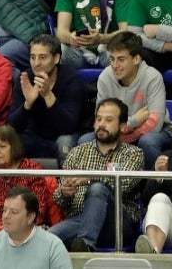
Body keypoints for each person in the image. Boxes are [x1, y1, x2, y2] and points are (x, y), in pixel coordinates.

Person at [51, 99, 145, 252]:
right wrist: (65, 192)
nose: (101, 124)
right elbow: (59, 200)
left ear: (122, 126)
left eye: (108, 120)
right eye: (98, 119)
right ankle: (82, 243)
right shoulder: (77, 153)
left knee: (97, 189)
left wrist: (91, 177)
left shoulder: (133, 154)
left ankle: (86, 245)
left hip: (116, 225)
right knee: (48, 239)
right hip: (79, 219)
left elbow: (124, 185)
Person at [96, 32, 168, 159]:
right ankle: (102, 179)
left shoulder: (152, 77)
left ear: (136, 59)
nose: (115, 65)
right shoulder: (105, 77)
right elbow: (101, 121)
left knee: (147, 141)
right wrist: (133, 121)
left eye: (121, 59)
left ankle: (150, 179)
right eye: (112, 59)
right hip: (118, 132)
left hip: (159, 131)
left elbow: (155, 124)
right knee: (85, 140)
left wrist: (125, 136)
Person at [0, 187, 71, 269]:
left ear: (30, 217)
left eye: (14, 212)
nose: (6, 216)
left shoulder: (53, 246)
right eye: (4, 210)